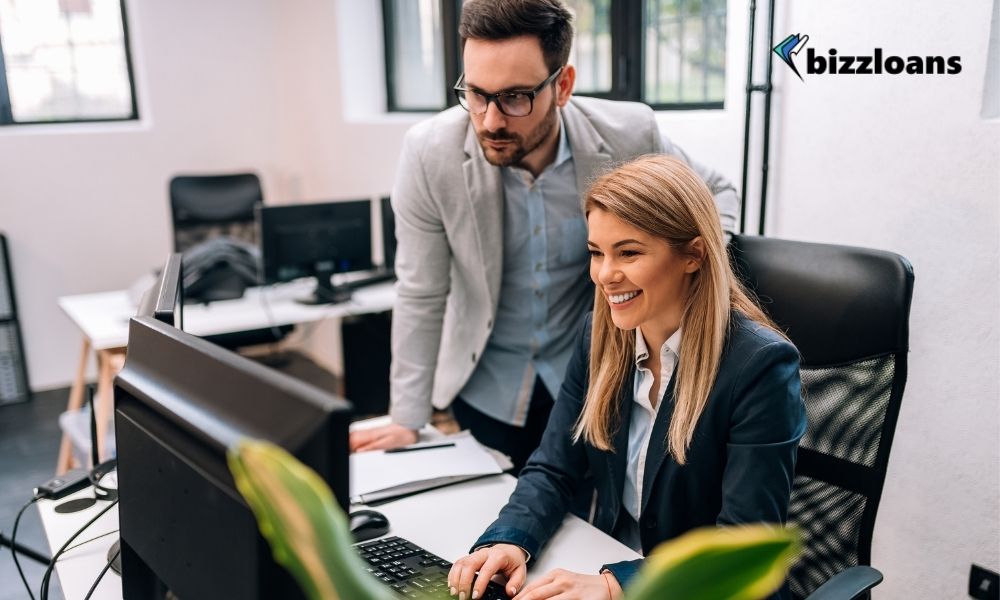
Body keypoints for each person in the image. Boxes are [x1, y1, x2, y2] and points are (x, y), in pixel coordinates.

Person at [349, 0, 741, 473]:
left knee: (597, 523)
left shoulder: (627, 134)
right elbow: (421, 291)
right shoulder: (430, 153)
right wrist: (408, 416)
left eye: (515, 97)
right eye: (476, 94)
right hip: (488, 386)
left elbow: (714, 193)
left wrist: (686, 277)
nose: (490, 121)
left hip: (601, 380)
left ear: (563, 86)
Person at [447, 155, 806, 600]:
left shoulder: (758, 367)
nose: (604, 275)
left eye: (629, 252)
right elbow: (553, 466)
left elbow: (739, 547)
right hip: (607, 557)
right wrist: (510, 537)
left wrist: (617, 585)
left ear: (693, 255)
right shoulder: (600, 335)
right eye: (596, 252)